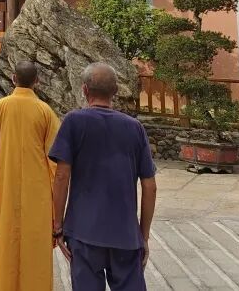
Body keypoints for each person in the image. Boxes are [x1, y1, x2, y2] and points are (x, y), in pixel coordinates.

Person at [50, 62, 158, 291]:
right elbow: (150, 186)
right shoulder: (134, 127)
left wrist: (57, 225)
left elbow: (61, 176)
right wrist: (143, 236)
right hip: (126, 234)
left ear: (85, 90)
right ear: (116, 92)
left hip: (83, 230)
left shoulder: (74, 122)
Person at [0, 60, 62, 291]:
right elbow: (55, 159)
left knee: (7, 245)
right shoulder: (45, 111)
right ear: (37, 82)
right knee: (35, 246)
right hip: (37, 191)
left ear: (13, 79)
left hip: (7, 187)